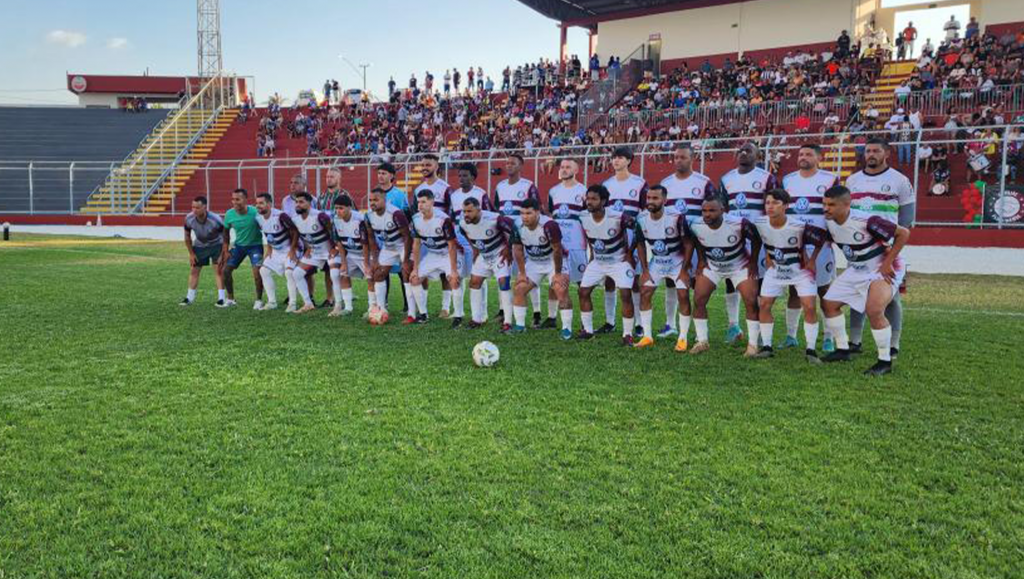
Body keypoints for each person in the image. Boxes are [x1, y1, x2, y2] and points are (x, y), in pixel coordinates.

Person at [820, 185, 911, 376]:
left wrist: (887, 262)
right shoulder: (828, 222)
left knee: (874, 310)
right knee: (828, 304)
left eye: (831, 205)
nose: (826, 208)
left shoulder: (867, 220)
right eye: (824, 204)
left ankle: (884, 361)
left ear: (847, 204)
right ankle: (843, 350)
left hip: (882, 268)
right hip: (857, 269)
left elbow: (903, 233)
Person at [844, 137, 916, 358]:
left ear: (887, 154)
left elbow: (907, 218)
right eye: (868, 151)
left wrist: (893, 247)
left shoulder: (900, 180)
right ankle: (854, 341)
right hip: (859, 249)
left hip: (886, 250)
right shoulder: (852, 180)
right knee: (857, 292)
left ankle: (893, 344)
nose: (871, 155)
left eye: (876, 151)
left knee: (891, 297)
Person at [751, 189, 826, 363]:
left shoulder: (798, 226)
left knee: (809, 306)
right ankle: (767, 347)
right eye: (768, 203)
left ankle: (811, 350)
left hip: (800, 272)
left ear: (786, 205)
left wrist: (812, 260)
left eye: (775, 203)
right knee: (764, 305)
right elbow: (765, 239)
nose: (770, 206)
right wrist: (768, 255)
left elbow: (821, 238)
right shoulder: (760, 223)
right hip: (776, 271)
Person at [781, 144, 840, 352]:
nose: (803, 157)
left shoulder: (830, 179)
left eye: (808, 154)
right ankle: (791, 335)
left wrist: (833, 236)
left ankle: (828, 337)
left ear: (819, 158)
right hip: (794, 245)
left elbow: (836, 209)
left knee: (824, 291)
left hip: (820, 246)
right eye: (801, 154)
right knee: (794, 290)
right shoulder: (788, 180)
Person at [689, 193, 762, 357]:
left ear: (723, 210)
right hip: (713, 266)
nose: (707, 214)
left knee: (751, 301)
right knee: (698, 299)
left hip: (739, 266)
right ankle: (702, 341)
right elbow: (696, 240)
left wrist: (753, 262)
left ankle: (753, 345)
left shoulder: (739, 224)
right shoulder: (696, 224)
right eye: (704, 211)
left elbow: (756, 239)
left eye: (712, 211)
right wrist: (701, 260)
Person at [719, 141, 776, 345]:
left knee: (758, 283)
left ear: (758, 156)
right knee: (730, 281)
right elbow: (723, 208)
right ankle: (733, 326)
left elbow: (772, 207)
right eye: (740, 150)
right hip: (734, 240)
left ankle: (759, 329)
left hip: (758, 239)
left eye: (749, 150)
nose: (743, 153)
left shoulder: (767, 178)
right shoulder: (726, 178)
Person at [659, 143, 716, 339]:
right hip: (673, 242)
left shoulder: (704, 182)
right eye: (676, 157)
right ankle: (670, 324)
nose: (678, 161)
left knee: (697, 283)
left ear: (692, 158)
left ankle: (700, 329)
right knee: (671, 281)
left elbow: (713, 208)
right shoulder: (666, 183)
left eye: (683, 157)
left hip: (698, 241)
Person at [633, 185, 694, 350]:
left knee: (683, 295)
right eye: (649, 198)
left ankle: (682, 338)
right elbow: (640, 244)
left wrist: (684, 271)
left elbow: (689, 244)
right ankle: (647, 336)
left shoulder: (677, 217)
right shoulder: (641, 218)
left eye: (655, 198)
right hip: (658, 262)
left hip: (677, 262)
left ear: (664, 200)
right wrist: (645, 271)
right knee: (645, 292)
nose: (650, 201)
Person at [576, 184, 637, 345]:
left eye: (594, 199)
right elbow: (591, 237)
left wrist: (630, 253)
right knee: (583, 292)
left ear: (603, 201)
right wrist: (591, 256)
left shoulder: (618, 217)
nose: (589, 202)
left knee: (625, 294)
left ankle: (627, 334)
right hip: (598, 262)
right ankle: (588, 331)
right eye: (588, 198)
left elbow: (638, 229)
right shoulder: (583, 216)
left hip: (619, 262)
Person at [600, 146, 648, 336]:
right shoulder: (606, 184)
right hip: (611, 239)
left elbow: (644, 213)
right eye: (614, 157)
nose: (616, 161)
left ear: (629, 160)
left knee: (634, 280)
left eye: (620, 157)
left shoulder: (639, 184)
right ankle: (609, 321)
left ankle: (639, 323)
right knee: (609, 280)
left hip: (632, 239)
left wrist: (638, 238)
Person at [510, 198, 572, 339]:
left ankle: (566, 329)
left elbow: (557, 250)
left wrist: (558, 274)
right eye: (522, 213)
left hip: (553, 261)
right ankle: (520, 326)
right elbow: (517, 249)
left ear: (538, 213)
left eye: (529, 213)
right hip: (534, 261)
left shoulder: (549, 225)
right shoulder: (517, 225)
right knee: (519, 288)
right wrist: (522, 273)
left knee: (560, 289)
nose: (525, 217)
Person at [494, 153, 541, 324]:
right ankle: (503, 310)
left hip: (524, 237)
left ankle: (537, 313)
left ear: (521, 166)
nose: (509, 165)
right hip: (504, 237)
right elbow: (497, 212)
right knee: (503, 273)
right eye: (507, 163)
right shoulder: (500, 186)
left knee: (528, 273)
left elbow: (537, 210)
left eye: (513, 163)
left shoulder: (528, 186)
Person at [445, 163, 493, 323]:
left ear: (473, 177)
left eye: (465, 175)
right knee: (458, 275)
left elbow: (490, 216)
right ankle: (458, 313)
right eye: (459, 176)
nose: (461, 179)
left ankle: (482, 313)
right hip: (460, 242)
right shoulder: (454, 196)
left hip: (476, 242)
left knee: (478, 277)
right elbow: (452, 219)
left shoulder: (481, 194)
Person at [458, 197, 514, 331]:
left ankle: (507, 322)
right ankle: (476, 319)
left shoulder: (495, 219)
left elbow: (515, 231)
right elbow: (465, 234)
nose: (466, 214)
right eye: (464, 211)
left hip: (499, 254)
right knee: (474, 282)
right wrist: (474, 248)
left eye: (469, 211)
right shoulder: (463, 223)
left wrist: (508, 248)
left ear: (479, 210)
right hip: (483, 256)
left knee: (503, 283)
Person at [409, 190, 463, 325]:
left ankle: (458, 316)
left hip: (447, 254)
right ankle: (423, 315)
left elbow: (452, 245)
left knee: (454, 280)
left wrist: (454, 270)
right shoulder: (415, 219)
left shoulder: (443, 219)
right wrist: (415, 269)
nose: (420, 205)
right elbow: (416, 244)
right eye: (418, 202)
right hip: (433, 254)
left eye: (423, 202)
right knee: (414, 279)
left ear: (432, 202)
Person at [414, 153, 454, 317]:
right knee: (421, 273)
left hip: (442, 237)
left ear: (436, 166)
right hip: (425, 237)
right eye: (423, 165)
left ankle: (445, 307)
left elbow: (452, 212)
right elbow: (416, 212)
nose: (424, 168)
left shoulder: (445, 188)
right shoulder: (418, 189)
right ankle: (422, 308)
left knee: (446, 275)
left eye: (428, 165)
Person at [366, 187, 414, 322]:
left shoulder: (396, 213)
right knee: (378, 274)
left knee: (406, 273)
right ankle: (381, 310)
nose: (372, 203)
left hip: (402, 245)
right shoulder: (369, 216)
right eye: (370, 200)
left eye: (376, 200)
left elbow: (407, 237)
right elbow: (371, 238)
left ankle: (411, 312)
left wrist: (405, 260)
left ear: (384, 200)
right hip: (388, 247)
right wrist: (375, 259)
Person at [329, 195, 375, 317]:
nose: (338, 211)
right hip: (351, 254)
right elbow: (339, 243)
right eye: (336, 208)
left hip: (365, 253)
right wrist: (344, 263)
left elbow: (365, 244)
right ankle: (348, 307)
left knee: (370, 277)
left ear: (349, 208)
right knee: (343, 274)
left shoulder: (360, 220)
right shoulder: (335, 220)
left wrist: (366, 264)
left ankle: (372, 307)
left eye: (341, 208)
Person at [289, 192, 334, 314]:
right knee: (297, 273)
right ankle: (308, 304)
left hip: (329, 251)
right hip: (314, 253)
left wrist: (334, 248)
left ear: (309, 203)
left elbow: (332, 231)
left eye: (301, 202)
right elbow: (302, 235)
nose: (298, 204)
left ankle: (338, 304)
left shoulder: (320, 216)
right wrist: (308, 247)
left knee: (335, 275)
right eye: (296, 202)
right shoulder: (295, 219)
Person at [221, 188, 266, 309]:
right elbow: (225, 233)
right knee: (225, 271)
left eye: (238, 199)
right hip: (239, 246)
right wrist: (225, 250)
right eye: (233, 199)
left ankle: (259, 300)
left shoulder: (255, 212)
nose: (235, 202)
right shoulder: (229, 214)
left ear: (246, 199)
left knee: (257, 273)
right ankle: (230, 299)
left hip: (255, 246)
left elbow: (266, 227)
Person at [254, 193, 299, 311]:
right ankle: (272, 302)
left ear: (269, 204)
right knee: (263, 270)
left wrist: (293, 249)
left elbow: (294, 231)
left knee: (289, 273)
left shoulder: (281, 216)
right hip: (276, 251)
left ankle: (292, 303)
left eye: (261, 203)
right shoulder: (258, 218)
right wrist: (269, 248)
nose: (258, 206)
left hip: (289, 249)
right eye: (257, 203)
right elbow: (267, 233)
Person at [181, 196, 228, 307]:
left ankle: (221, 298)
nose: (194, 210)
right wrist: (191, 254)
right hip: (200, 245)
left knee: (219, 270)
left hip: (217, 244)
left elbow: (225, 236)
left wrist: (223, 253)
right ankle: (189, 298)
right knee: (194, 270)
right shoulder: (188, 218)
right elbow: (187, 236)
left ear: (205, 207)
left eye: (197, 208)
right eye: (193, 207)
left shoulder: (216, 219)